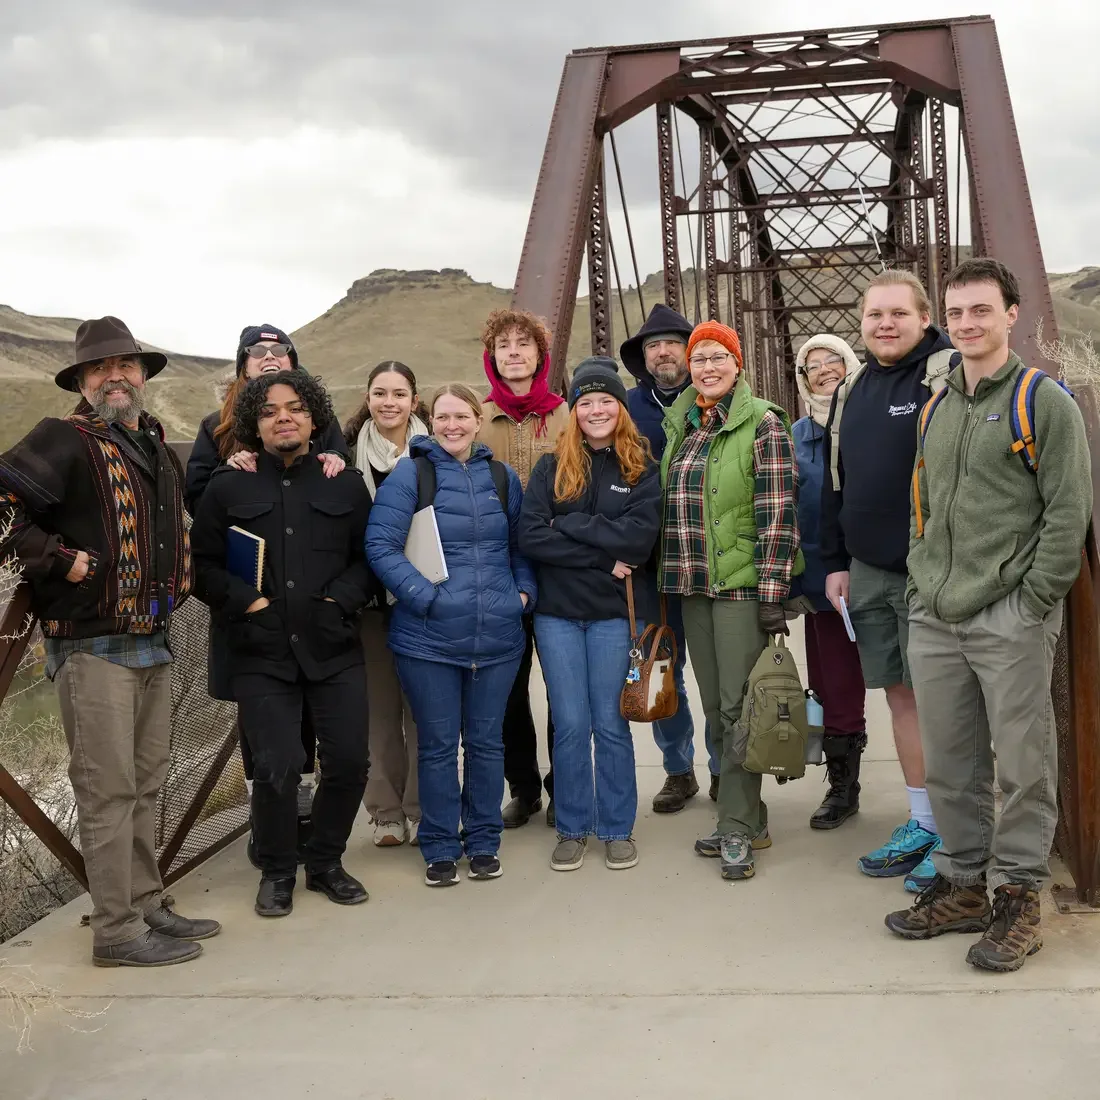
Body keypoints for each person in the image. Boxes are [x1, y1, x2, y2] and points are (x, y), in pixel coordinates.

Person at [886, 259, 1091, 971]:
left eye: (982, 311)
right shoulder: (940, 403)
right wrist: (920, 581)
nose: (968, 323)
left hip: (1009, 615)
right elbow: (924, 503)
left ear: (1011, 316)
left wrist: (1032, 600)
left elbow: (1068, 512)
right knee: (951, 761)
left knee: (1025, 765)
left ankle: (1019, 898)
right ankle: (964, 883)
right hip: (936, 611)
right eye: (958, 312)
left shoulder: (1044, 403)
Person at [0, 316, 220, 967]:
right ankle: (116, 931)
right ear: (82, 381)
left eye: (125, 365)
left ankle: (147, 899)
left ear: (143, 375)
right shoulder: (63, 439)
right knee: (107, 789)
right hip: (92, 647)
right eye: (100, 368)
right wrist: (58, 559)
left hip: (152, 639)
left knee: (146, 785)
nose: (115, 376)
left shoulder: (153, 445)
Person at [191, 371, 374, 918]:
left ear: (314, 417)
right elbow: (200, 565)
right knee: (275, 765)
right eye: (270, 412)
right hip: (259, 650)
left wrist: (338, 602)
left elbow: (369, 559)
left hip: (332, 645)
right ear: (256, 425)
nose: (283, 417)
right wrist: (248, 602)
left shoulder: (344, 483)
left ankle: (324, 862)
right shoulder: (228, 486)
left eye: (294, 408)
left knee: (347, 762)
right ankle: (276, 870)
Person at [185, 325, 348, 866]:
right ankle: (267, 829)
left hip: (313, 604)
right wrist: (229, 474)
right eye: (259, 353)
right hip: (249, 598)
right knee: (266, 734)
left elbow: (341, 482)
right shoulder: (217, 427)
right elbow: (198, 506)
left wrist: (333, 463)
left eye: (281, 352)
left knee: (309, 731)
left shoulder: (316, 423)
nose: (271, 359)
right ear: (243, 365)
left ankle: (302, 824)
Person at [368, 383, 536, 887]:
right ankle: (440, 846)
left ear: (477, 421)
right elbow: (381, 546)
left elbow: (521, 548)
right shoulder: (409, 475)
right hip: (428, 641)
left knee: (486, 744)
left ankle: (483, 842)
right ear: (430, 422)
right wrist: (428, 599)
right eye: (442, 417)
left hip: (499, 637)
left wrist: (522, 596)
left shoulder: (502, 478)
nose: (451, 426)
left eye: (461, 416)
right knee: (438, 746)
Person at [821, 270, 954, 892]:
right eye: (875, 314)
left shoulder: (949, 376)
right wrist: (837, 561)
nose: (885, 324)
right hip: (871, 570)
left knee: (950, 704)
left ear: (925, 318)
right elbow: (834, 483)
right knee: (900, 696)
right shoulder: (853, 389)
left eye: (899, 314)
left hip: (934, 573)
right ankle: (925, 822)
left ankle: (959, 835)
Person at [659, 320, 801, 882]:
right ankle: (747, 816)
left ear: (737, 365)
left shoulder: (762, 423)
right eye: (700, 359)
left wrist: (772, 595)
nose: (708, 367)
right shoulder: (685, 427)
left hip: (742, 590)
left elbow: (778, 513)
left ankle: (737, 828)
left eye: (719, 357)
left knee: (742, 708)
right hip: (693, 586)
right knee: (717, 707)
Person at [519, 357, 661, 871]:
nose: (596, 409)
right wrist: (603, 551)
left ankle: (617, 827)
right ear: (574, 411)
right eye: (585, 402)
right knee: (572, 725)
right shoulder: (550, 467)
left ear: (619, 409)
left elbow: (639, 540)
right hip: (557, 616)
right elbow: (531, 535)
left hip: (613, 618)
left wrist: (570, 526)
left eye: (605, 400)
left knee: (610, 722)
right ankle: (573, 826)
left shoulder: (641, 467)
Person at [620, 304, 718, 813]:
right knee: (661, 668)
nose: (662, 351)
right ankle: (678, 771)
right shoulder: (626, 407)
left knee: (717, 671)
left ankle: (724, 768)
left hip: (706, 563)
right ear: (642, 356)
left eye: (672, 342)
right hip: (649, 566)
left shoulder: (713, 398)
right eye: (652, 345)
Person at [476, 309, 568, 829]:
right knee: (507, 687)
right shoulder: (476, 417)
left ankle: (562, 788)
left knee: (559, 683)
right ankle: (524, 788)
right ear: (493, 357)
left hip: (556, 571)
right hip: (497, 572)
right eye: (504, 345)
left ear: (540, 356)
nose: (514, 352)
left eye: (524, 344)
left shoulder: (566, 415)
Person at [343, 361, 429, 847]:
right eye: (380, 393)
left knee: (422, 709)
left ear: (414, 400)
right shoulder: (345, 457)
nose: (390, 402)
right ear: (368, 397)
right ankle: (386, 811)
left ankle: (422, 806)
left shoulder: (432, 452)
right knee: (379, 710)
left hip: (421, 596)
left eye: (400, 393)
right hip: (370, 601)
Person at [792, 334, 868, 830]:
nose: (823, 369)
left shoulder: (875, 418)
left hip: (881, 570)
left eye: (833, 359)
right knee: (832, 683)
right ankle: (844, 786)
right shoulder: (795, 433)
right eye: (812, 364)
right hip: (822, 581)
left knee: (912, 686)